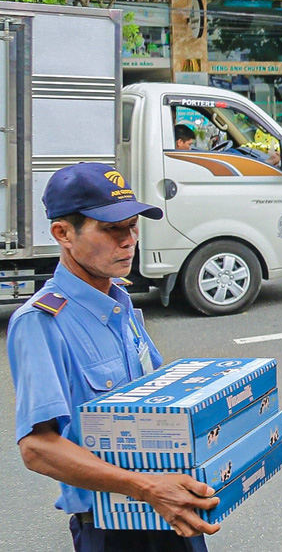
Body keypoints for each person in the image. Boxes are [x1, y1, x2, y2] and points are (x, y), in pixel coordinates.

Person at [8, 163, 220, 552]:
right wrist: (147, 487)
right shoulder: (42, 322)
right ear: (63, 233)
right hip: (115, 531)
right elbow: (37, 448)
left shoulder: (119, 301)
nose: (128, 241)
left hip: (170, 511)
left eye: (132, 227)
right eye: (110, 229)